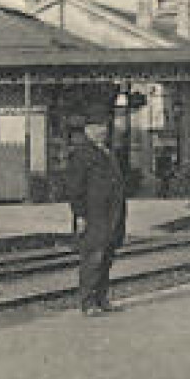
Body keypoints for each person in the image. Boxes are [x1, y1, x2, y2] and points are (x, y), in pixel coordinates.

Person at [63, 113, 128, 316]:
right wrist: (80, 215)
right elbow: (75, 188)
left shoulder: (108, 153)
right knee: (93, 258)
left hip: (111, 215)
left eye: (104, 126)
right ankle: (88, 302)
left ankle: (101, 298)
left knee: (107, 257)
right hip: (93, 215)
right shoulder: (82, 154)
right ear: (87, 130)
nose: (102, 130)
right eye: (97, 126)